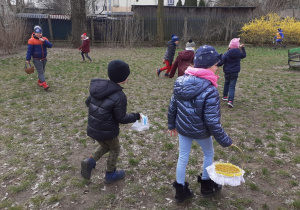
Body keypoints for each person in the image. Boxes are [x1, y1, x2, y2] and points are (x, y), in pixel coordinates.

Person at [168, 45, 233, 203]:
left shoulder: (180, 81)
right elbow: (211, 121)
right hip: (201, 131)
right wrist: (225, 140)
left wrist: (172, 125)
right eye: (216, 65)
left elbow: (172, 106)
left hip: (183, 128)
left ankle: (180, 191)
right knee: (208, 154)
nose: (217, 68)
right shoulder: (210, 90)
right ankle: (206, 185)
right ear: (209, 66)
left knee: (183, 157)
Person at [81, 60, 141, 183]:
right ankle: (110, 174)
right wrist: (136, 116)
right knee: (115, 148)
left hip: (93, 126)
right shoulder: (119, 95)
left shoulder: (98, 88)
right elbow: (121, 118)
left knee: (105, 146)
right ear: (124, 78)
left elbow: (88, 102)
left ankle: (90, 162)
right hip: (107, 130)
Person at [218, 38, 246, 108]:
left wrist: (217, 63)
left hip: (227, 72)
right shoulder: (239, 53)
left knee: (226, 83)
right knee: (232, 86)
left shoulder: (227, 53)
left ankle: (225, 96)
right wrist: (243, 48)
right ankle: (230, 100)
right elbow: (244, 55)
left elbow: (221, 62)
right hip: (235, 72)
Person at [26, 25, 52, 90]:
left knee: (42, 71)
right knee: (40, 72)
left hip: (44, 58)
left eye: (40, 33)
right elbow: (29, 51)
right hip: (36, 59)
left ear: (41, 33)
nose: (38, 34)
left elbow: (50, 45)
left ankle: (40, 81)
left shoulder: (44, 39)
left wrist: (44, 41)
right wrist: (28, 59)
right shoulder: (31, 40)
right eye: (37, 33)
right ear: (34, 33)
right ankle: (44, 84)